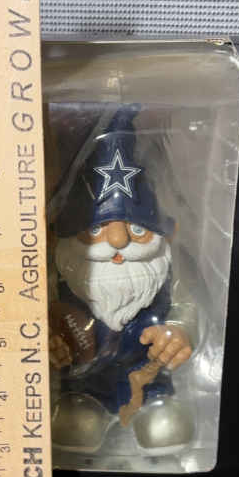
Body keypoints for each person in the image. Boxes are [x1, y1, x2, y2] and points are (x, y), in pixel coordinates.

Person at [50, 105, 195, 456]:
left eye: (137, 229)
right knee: (75, 423)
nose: (118, 241)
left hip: (150, 377)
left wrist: (180, 331)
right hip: (83, 381)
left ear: (165, 232)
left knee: (166, 426)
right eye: (97, 228)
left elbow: (187, 306)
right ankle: (85, 406)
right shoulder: (64, 277)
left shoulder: (166, 272)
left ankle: (154, 407)